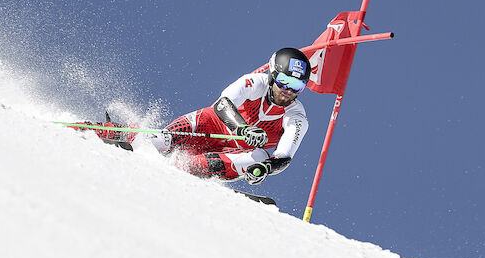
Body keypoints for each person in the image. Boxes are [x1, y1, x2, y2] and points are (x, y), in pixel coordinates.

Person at [77, 48, 310, 185]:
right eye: (284, 81)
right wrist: (242, 129)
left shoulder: (296, 116)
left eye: (297, 86)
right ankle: (99, 131)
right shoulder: (254, 82)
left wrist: (265, 169)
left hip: (232, 153)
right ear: (272, 75)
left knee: (260, 155)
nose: (288, 91)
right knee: (159, 142)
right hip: (210, 125)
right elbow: (223, 104)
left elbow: (284, 156)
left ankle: (187, 167)